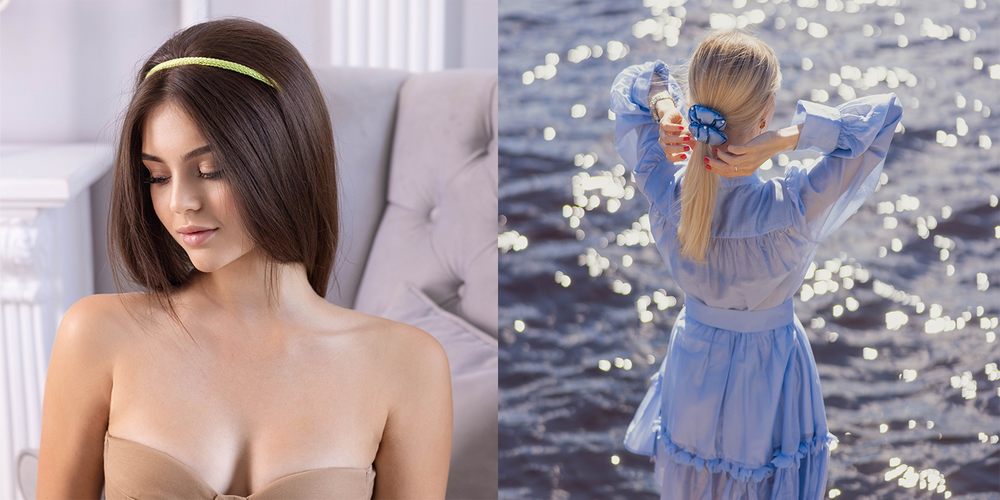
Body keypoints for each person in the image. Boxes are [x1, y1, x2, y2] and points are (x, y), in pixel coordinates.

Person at [36, 18, 452, 499]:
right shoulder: (96, 336)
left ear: (284, 159)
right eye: (157, 176)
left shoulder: (407, 367)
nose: (179, 203)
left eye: (210, 170)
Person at [610, 30, 902, 499]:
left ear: (694, 106)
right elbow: (882, 117)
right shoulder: (792, 207)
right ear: (765, 112)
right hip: (769, 371)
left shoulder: (665, 190)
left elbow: (631, 90)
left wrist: (665, 104)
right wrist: (787, 140)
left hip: (693, 367)